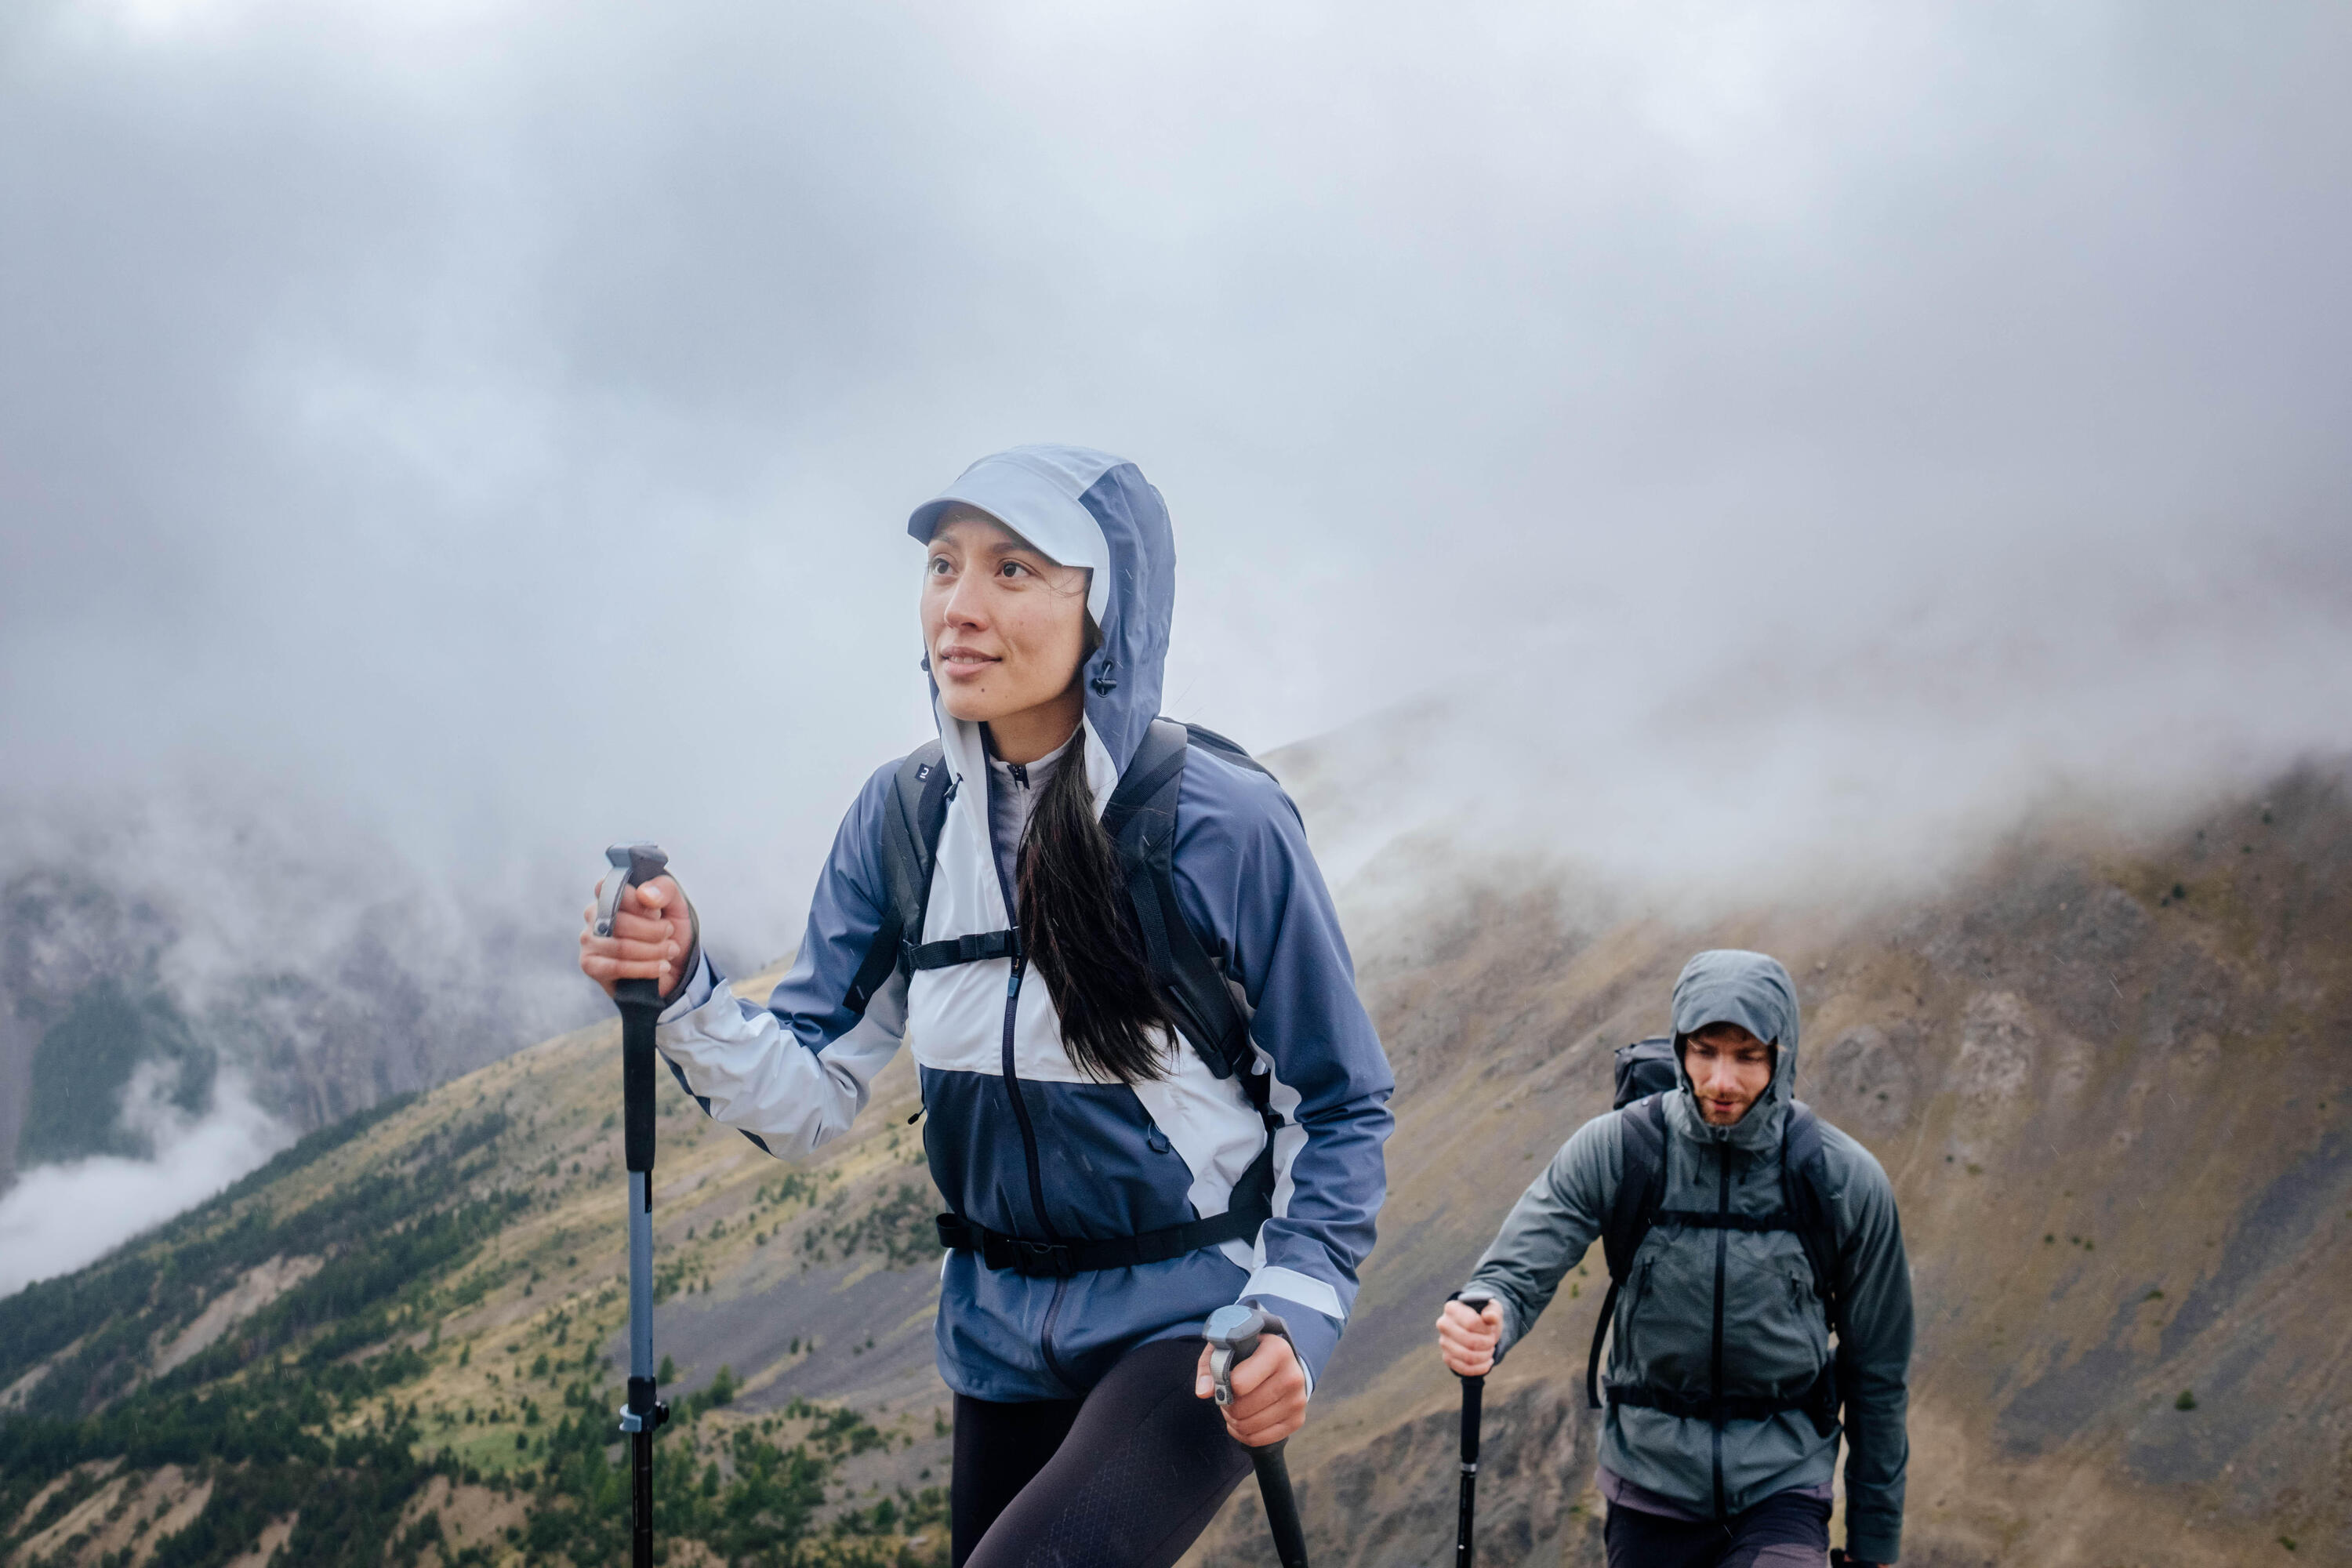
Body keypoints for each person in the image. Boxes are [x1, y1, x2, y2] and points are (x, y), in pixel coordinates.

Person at [580, 445, 1394, 1568]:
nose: (958, 606)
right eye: (943, 565)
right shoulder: (904, 817)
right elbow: (809, 1096)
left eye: (1014, 570)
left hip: (1194, 1325)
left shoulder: (1225, 826)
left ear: (1107, 607)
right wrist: (682, 992)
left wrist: (1295, 1320)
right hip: (997, 1332)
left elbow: (1342, 1105)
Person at [1435, 950, 1911, 1568]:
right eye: (1705, 1051)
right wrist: (1487, 1317)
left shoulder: (1842, 1180)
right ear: (1680, 1046)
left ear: (1781, 1055)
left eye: (1747, 1055)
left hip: (1783, 1486)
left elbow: (1879, 1373)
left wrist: (1873, 1547)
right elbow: (1517, 1271)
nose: (1722, 1081)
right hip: (1649, 1490)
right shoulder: (1620, 1150)